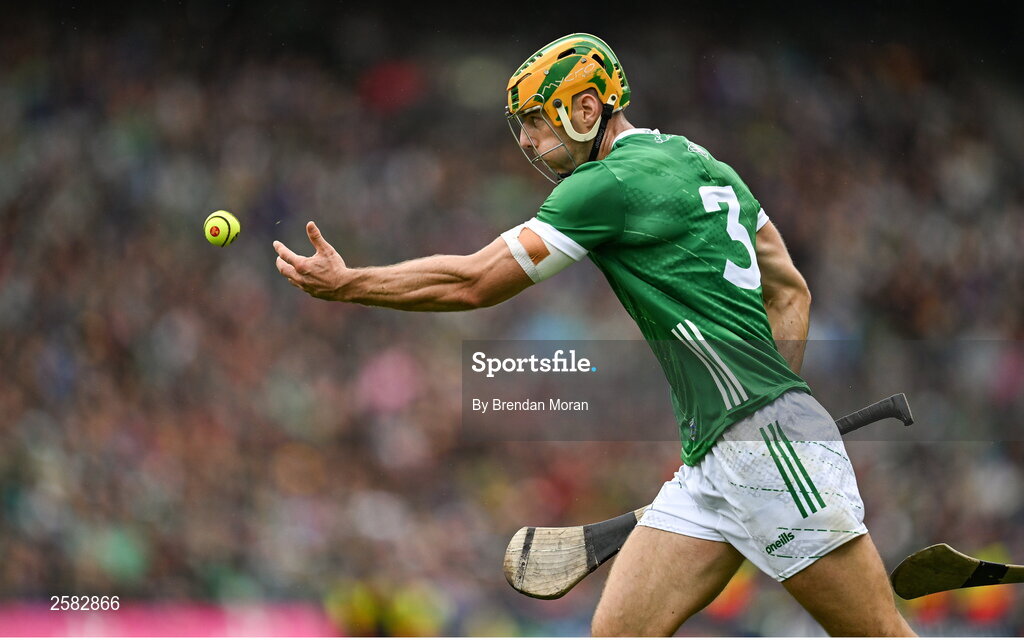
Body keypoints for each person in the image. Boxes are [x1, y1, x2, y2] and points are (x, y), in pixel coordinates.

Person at [273, 33, 914, 637]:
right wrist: (779, 398)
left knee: (876, 633)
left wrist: (351, 283)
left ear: (587, 107)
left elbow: (473, 282)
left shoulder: (605, 184)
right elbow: (790, 290)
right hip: (719, 456)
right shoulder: (703, 161)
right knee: (618, 632)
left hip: (765, 443)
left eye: (537, 120)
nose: (527, 141)